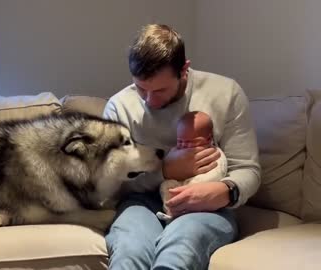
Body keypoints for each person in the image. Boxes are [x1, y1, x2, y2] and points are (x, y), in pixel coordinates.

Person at [103, 24, 261, 270]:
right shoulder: (119, 106)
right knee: (130, 250)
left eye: (160, 90)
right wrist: (165, 171)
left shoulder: (226, 93)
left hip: (208, 206)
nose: (149, 101)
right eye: (141, 88)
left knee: (180, 249)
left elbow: (247, 169)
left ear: (184, 69)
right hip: (141, 202)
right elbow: (112, 184)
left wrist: (223, 191)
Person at [157, 111, 228, 221]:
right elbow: (167, 162)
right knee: (166, 186)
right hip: (178, 185)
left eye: (192, 143)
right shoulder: (176, 150)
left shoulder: (213, 154)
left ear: (209, 139)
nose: (185, 146)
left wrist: (190, 186)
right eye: (180, 142)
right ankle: (170, 209)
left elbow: (218, 173)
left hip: (201, 193)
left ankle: (180, 212)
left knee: (204, 184)